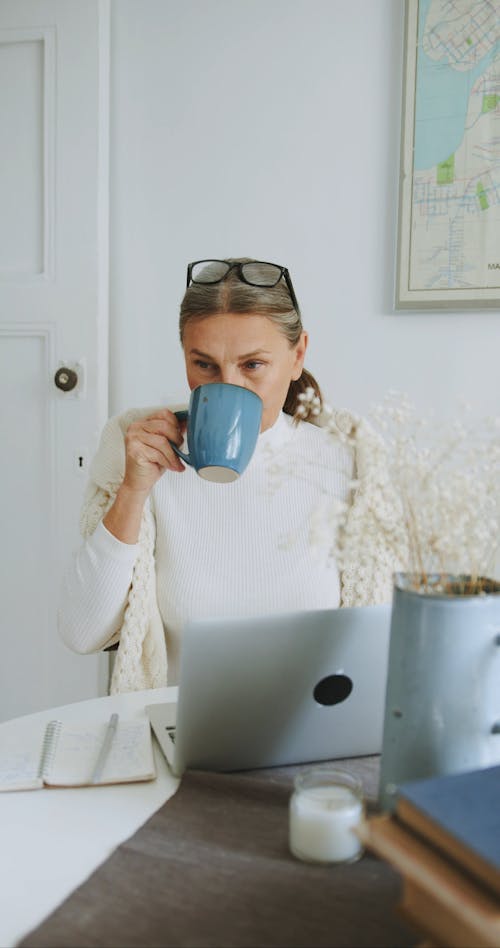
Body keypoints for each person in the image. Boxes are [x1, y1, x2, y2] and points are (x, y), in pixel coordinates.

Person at [59, 258, 407, 693]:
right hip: (180, 736)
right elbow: (81, 632)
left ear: (297, 355)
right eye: (204, 365)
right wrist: (132, 491)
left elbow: (388, 650)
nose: (228, 386)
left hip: (314, 739)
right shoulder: (141, 454)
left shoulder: (353, 466)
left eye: (253, 365)